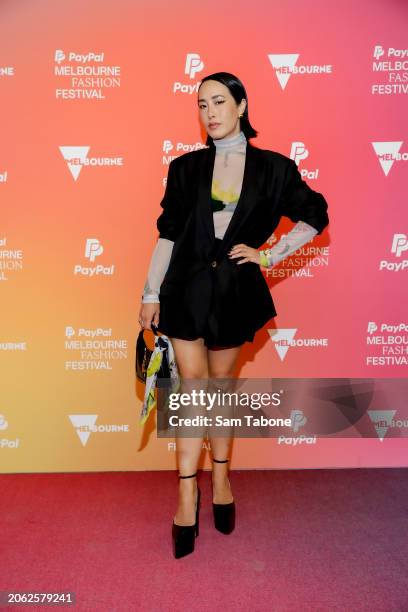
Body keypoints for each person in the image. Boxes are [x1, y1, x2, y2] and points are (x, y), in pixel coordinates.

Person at [138, 72, 329, 558]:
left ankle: (221, 481)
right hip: (183, 290)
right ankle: (187, 494)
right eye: (202, 105)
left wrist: (269, 255)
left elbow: (315, 214)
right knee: (191, 389)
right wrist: (150, 292)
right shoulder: (184, 168)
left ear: (241, 105)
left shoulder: (274, 169)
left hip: (233, 293)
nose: (210, 112)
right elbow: (167, 234)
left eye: (219, 102)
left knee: (220, 390)